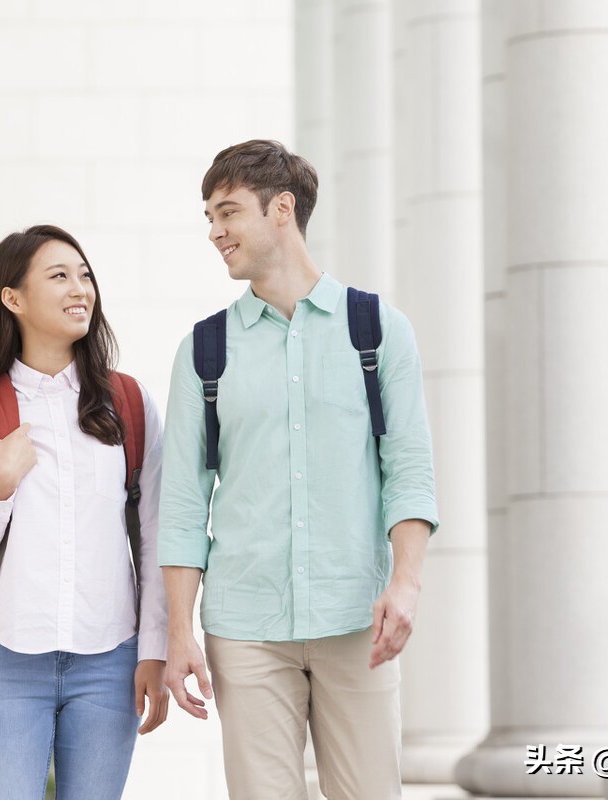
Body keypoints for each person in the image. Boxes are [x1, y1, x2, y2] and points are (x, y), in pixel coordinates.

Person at [159, 140, 439, 799]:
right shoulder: (204, 351)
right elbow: (182, 503)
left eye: (227, 212)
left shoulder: (378, 331)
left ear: (281, 208)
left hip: (354, 621)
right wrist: (180, 633)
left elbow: (409, 471)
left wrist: (406, 584)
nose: (215, 231)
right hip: (245, 629)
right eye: (208, 217)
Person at [0, 224, 168, 800]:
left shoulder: (129, 405)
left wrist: (156, 649)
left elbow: (159, 534)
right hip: (12, 663)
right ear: (13, 299)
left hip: (110, 661)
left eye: (84, 275)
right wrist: (1, 487)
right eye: (59, 276)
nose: (79, 289)